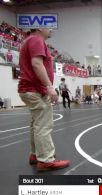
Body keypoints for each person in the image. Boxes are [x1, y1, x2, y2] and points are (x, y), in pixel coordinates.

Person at [18, 28, 69, 171]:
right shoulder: (36, 40)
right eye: (49, 27)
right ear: (40, 28)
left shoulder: (29, 40)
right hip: (35, 90)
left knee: (36, 124)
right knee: (44, 125)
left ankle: (35, 154)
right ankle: (46, 160)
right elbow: (37, 64)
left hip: (29, 89)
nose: (51, 29)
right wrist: (49, 87)